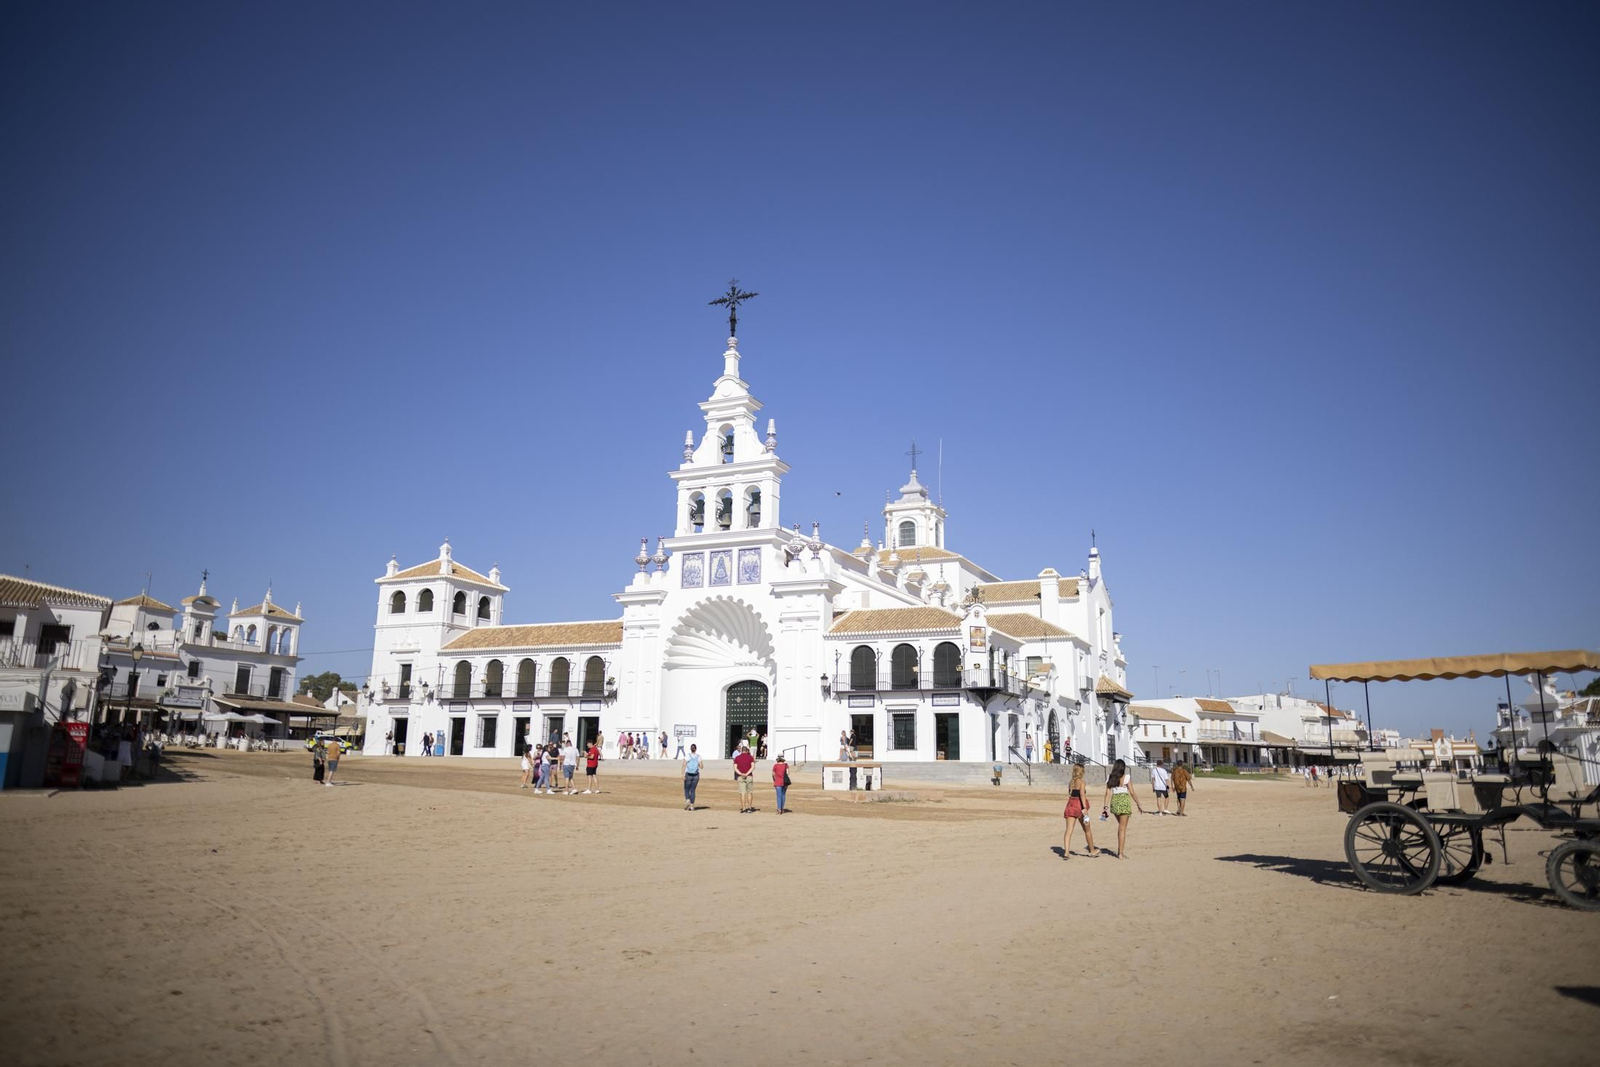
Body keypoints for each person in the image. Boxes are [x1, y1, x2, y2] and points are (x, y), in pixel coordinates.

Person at [1100, 758, 1146, 858]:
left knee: (1121, 826)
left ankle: (1120, 852)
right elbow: (1132, 792)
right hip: (1124, 801)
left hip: (1115, 801)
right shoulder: (1126, 777)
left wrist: (1105, 807)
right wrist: (1138, 803)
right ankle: (1120, 853)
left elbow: (1107, 793)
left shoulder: (1110, 777)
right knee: (1122, 828)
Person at [1061, 763, 1098, 858]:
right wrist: (1084, 808)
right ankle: (1092, 850)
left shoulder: (1071, 782)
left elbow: (1070, 794)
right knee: (1087, 829)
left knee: (1069, 830)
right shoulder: (1082, 782)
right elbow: (1082, 795)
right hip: (1079, 806)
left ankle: (1066, 852)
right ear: (1081, 772)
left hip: (1071, 805)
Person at [733, 742, 756, 812]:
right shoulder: (750, 757)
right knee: (749, 792)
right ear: (747, 751)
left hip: (740, 776)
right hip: (749, 776)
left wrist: (741, 773)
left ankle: (743, 808)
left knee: (742, 793)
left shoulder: (737, 758)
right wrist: (747, 773)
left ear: (741, 750)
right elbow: (753, 767)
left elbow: (735, 768)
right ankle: (749, 807)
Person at [683, 743, 702, 810]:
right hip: (696, 775)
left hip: (688, 774)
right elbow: (701, 766)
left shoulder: (688, 756)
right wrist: (698, 765)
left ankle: (688, 800)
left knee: (686, 789)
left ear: (691, 749)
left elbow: (684, 765)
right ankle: (692, 806)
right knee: (693, 790)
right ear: (696, 749)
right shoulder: (698, 756)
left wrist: (682, 774)